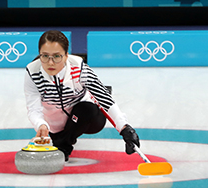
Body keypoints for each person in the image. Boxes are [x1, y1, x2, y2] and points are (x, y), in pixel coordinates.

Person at [24, 30, 140, 161]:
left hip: (85, 116)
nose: (50, 63)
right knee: (58, 133)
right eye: (45, 56)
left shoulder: (79, 69)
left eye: (57, 56)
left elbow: (105, 98)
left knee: (87, 109)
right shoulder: (32, 72)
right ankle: (62, 137)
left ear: (66, 55)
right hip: (55, 124)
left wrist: (125, 128)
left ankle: (64, 145)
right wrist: (41, 125)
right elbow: (33, 108)